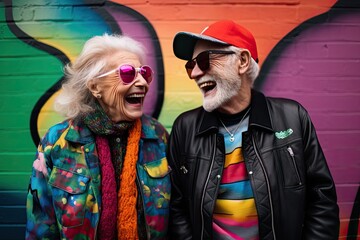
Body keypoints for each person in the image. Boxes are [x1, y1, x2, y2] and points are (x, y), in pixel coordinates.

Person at [168, 20, 339, 240]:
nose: (195, 74)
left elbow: (322, 201)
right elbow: (177, 208)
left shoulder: (292, 118)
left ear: (242, 61)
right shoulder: (185, 128)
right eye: (191, 65)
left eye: (204, 60)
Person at [25, 34, 171, 240]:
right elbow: (40, 225)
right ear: (95, 87)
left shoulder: (158, 137)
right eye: (128, 73)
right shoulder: (57, 142)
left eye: (144, 73)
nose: (142, 82)